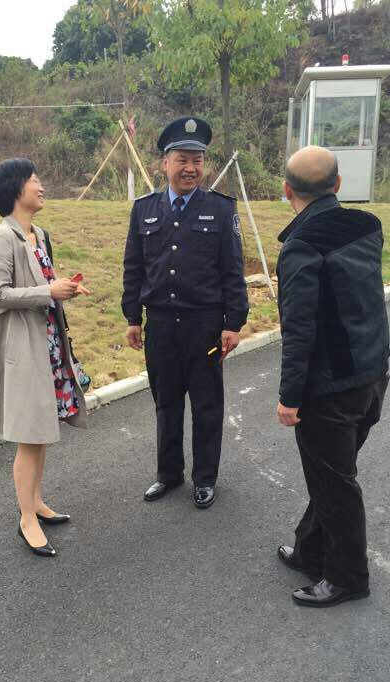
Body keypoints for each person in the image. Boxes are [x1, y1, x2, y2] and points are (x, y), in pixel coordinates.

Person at [275, 145, 390, 607]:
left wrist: (290, 397)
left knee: (335, 483)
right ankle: (310, 550)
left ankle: (347, 577)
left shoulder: (302, 246)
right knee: (331, 475)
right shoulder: (368, 225)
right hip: (373, 374)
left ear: (287, 191)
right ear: (338, 185)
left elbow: (299, 329)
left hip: (330, 389)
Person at [122, 117, 249, 509]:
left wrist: (233, 323)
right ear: (165, 163)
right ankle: (169, 474)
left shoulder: (220, 209)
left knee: (207, 405)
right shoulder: (144, 210)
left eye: (197, 160)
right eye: (182, 160)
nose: (191, 168)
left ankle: (205, 478)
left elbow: (233, 270)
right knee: (166, 402)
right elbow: (134, 267)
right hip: (160, 325)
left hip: (204, 326)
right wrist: (132, 317)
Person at [0, 158, 90, 558]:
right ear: (16, 189)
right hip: (23, 348)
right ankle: (26, 518)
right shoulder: (1, 238)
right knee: (29, 436)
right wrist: (48, 292)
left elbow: (45, 283)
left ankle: (37, 502)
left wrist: (64, 288)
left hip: (49, 343)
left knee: (41, 430)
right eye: (34, 180)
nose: (41, 186)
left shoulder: (39, 234)